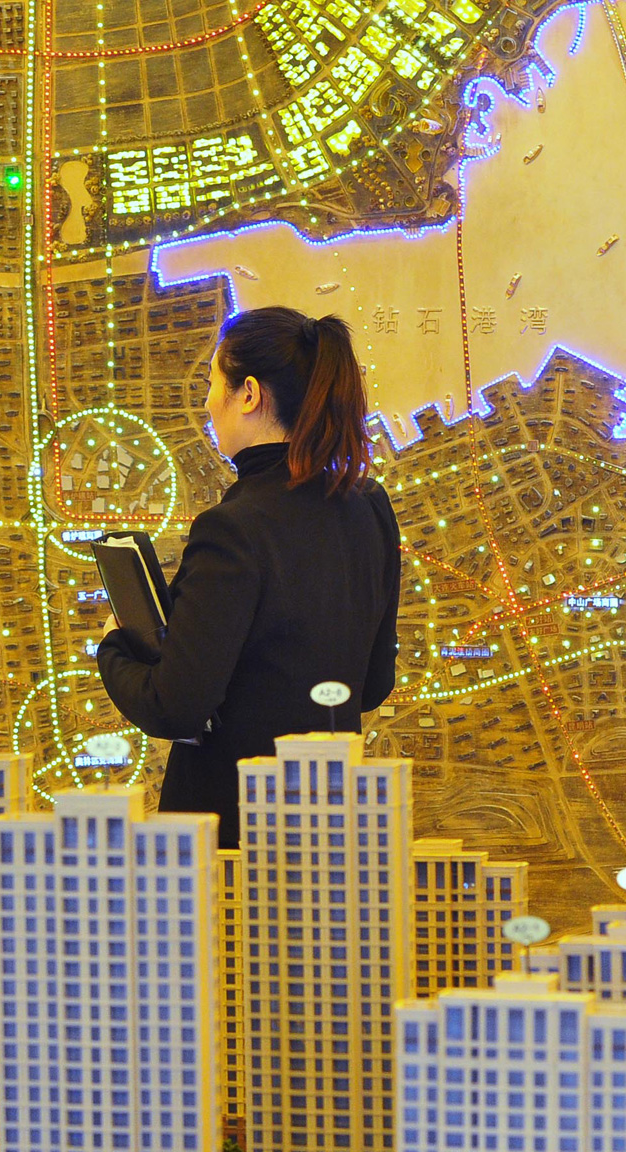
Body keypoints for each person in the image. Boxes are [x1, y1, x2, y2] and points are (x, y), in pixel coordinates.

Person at [98, 307, 400, 848]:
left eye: (214, 381)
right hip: (332, 828)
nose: (207, 402)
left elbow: (175, 707)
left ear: (250, 394)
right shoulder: (371, 507)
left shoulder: (232, 530)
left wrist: (114, 648)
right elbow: (372, 686)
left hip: (234, 840)